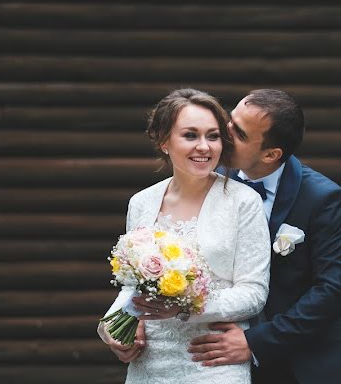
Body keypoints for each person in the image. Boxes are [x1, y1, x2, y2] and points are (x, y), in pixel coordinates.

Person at [188, 89, 341, 384]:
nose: (224, 133)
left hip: (313, 364)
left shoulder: (323, 198)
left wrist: (256, 341)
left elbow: (332, 291)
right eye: (229, 121)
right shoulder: (209, 182)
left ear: (271, 154)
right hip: (232, 367)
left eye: (240, 133)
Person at [98, 88, 271, 384]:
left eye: (213, 136)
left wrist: (185, 308)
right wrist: (112, 326)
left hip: (212, 359)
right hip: (149, 362)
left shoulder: (243, 202)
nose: (204, 146)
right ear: (164, 141)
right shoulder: (141, 202)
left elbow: (253, 293)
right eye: (190, 135)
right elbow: (132, 287)